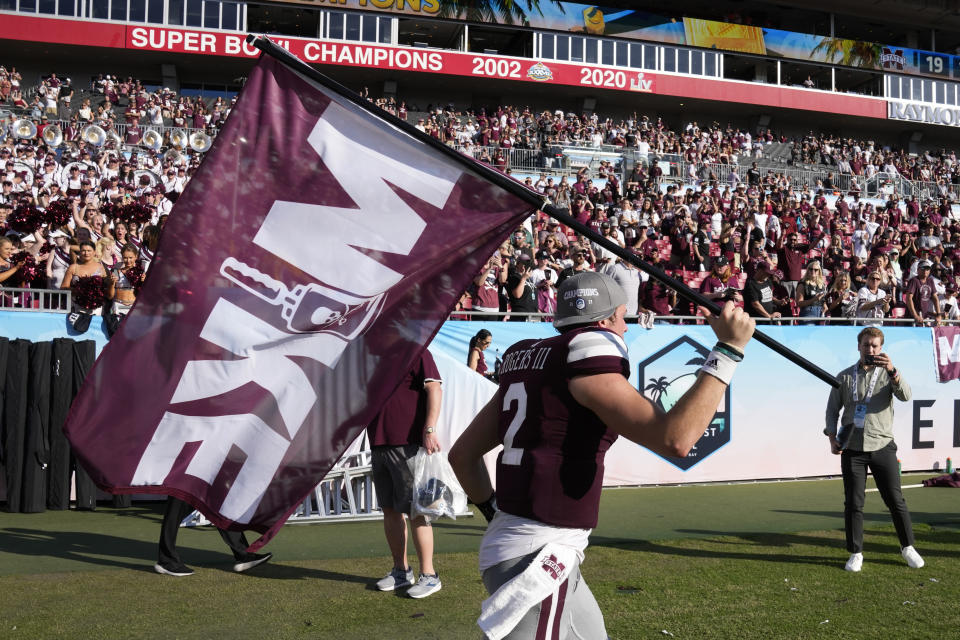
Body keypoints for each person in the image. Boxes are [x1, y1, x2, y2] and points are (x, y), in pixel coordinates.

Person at [449, 272, 754, 639]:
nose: (625, 328)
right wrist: (729, 351)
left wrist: (493, 512)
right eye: (623, 316)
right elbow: (677, 439)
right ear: (605, 320)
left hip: (529, 544)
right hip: (538, 553)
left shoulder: (530, 359)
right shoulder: (588, 348)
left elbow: (463, 455)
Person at [824, 327, 923, 573]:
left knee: (895, 500)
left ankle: (907, 547)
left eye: (875, 346)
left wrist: (893, 371)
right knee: (854, 503)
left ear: (881, 348)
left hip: (882, 446)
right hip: (853, 449)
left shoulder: (888, 373)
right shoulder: (845, 376)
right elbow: (832, 409)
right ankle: (856, 552)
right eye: (866, 344)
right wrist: (831, 436)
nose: (870, 349)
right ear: (859, 346)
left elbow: (906, 396)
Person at [369, 350, 443, 598]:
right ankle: (401, 571)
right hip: (379, 443)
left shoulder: (417, 350)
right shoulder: (372, 356)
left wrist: (430, 429)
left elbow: (434, 389)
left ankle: (429, 575)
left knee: (417, 511)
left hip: (408, 444)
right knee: (389, 510)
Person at [154, 496, 272, 577]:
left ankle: (243, 555)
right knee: (177, 506)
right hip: (185, 467)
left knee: (218, 504)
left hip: (202, 467)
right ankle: (166, 560)